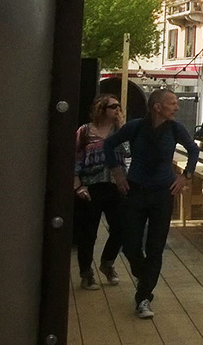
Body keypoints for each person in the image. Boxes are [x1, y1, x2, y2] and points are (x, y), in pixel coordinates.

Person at [104, 88, 199, 319]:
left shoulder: (175, 129)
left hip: (163, 194)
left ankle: (144, 298)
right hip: (135, 191)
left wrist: (185, 176)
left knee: (156, 247)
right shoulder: (135, 127)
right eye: (172, 103)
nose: (177, 107)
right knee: (130, 244)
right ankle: (144, 275)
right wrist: (117, 173)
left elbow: (194, 150)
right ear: (157, 107)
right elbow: (109, 145)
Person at [73, 94, 129, 290]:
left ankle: (107, 262)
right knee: (88, 232)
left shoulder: (120, 131)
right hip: (92, 185)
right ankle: (86, 273)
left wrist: (121, 127)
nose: (117, 110)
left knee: (121, 227)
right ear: (102, 109)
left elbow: (129, 154)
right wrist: (77, 184)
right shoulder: (85, 131)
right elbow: (76, 158)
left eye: (118, 107)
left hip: (116, 185)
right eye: (113, 106)